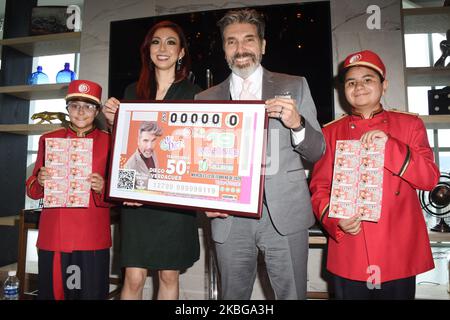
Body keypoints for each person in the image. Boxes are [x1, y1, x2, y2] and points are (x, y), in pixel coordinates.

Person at [195, 8, 325, 299]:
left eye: (248, 40)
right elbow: (198, 162)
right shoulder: (204, 99)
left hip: (284, 215)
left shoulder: (294, 85)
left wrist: (298, 124)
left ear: (263, 45)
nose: (240, 49)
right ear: (224, 49)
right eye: (231, 41)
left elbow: (318, 151)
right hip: (229, 217)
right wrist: (205, 200)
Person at [309, 50, 440, 299]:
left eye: (367, 79)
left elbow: (430, 179)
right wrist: (335, 220)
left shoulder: (410, 125)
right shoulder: (330, 133)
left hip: (398, 251)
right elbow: (320, 188)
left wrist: (390, 146)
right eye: (351, 82)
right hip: (349, 248)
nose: (359, 86)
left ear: (384, 85)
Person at [102, 20, 202, 300]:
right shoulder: (132, 92)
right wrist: (113, 124)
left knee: (168, 275)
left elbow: (197, 150)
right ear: (148, 50)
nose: (163, 48)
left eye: (171, 42)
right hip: (137, 201)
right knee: (133, 278)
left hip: (174, 199)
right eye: (156, 42)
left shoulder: (196, 95)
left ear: (181, 52)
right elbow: (124, 147)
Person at [26, 80, 112, 300]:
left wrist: (104, 187)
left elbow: (120, 192)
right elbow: (33, 189)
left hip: (92, 235)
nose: (81, 112)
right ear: (68, 109)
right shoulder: (49, 139)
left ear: (97, 111)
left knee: (91, 295)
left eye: (88, 106)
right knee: (54, 294)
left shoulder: (109, 142)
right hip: (56, 234)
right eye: (75, 105)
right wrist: (40, 180)